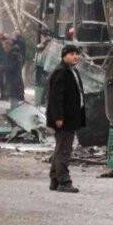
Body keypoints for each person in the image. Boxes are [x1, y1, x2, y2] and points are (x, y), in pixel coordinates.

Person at [46, 44, 86, 194]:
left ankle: (55, 180)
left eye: (77, 53)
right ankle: (64, 181)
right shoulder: (61, 72)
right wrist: (58, 117)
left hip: (71, 117)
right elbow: (56, 98)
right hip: (64, 119)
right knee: (64, 150)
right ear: (64, 55)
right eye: (72, 54)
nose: (75, 56)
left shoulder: (72, 70)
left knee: (61, 148)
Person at [3, 37, 25, 109]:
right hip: (16, 80)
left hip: (14, 81)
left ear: (8, 47)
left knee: (14, 100)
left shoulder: (13, 55)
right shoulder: (15, 54)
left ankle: (14, 116)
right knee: (14, 99)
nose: (4, 49)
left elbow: (11, 68)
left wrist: (1, 67)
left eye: (4, 47)